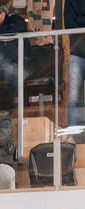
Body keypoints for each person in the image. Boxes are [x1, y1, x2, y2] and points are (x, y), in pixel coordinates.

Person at [64, 0, 85, 141]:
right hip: (77, 53)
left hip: (77, 52)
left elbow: (76, 21)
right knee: (73, 97)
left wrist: (80, 19)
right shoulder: (71, 1)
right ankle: (74, 135)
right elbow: (70, 23)